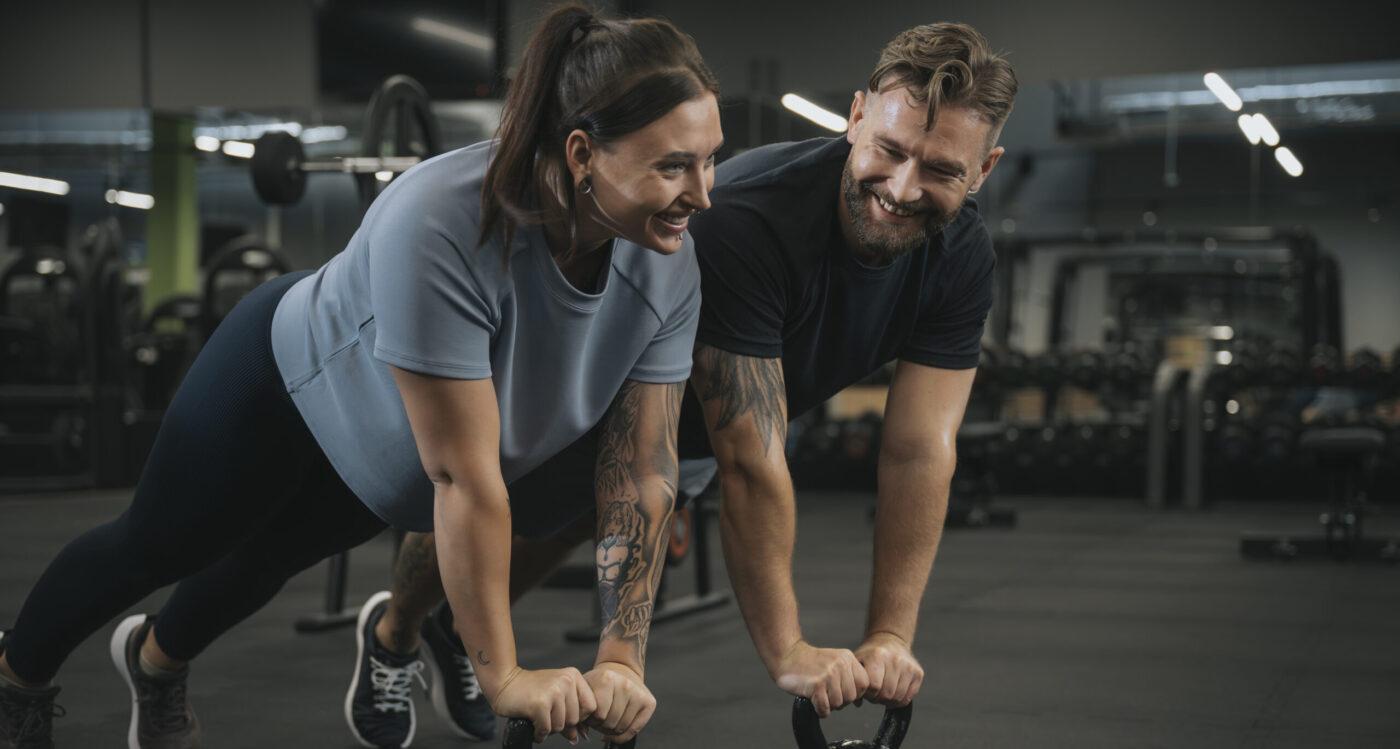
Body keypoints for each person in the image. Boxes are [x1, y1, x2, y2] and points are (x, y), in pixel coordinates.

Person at [0, 5, 723, 748]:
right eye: (672, 165)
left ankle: (154, 662)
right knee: (154, 548)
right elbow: (465, 479)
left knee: (265, 562)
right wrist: (504, 675)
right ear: (581, 153)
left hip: (385, 455)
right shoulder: (444, 219)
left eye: (709, 160)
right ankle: (17, 676)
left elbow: (641, 470)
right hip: (284, 380)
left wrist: (621, 660)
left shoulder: (669, 265)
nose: (702, 193)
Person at [358, 18, 1018, 741]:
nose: (903, 187)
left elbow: (920, 449)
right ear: (856, 118)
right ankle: (396, 630)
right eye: (889, 151)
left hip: (696, 439)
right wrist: (790, 651)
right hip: (608, 391)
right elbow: (751, 456)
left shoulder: (962, 257)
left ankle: (458, 629)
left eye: (942, 170)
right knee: (516, 505)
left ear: (983, 170)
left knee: (572, 524)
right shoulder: (749, 219)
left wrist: (890, 634)